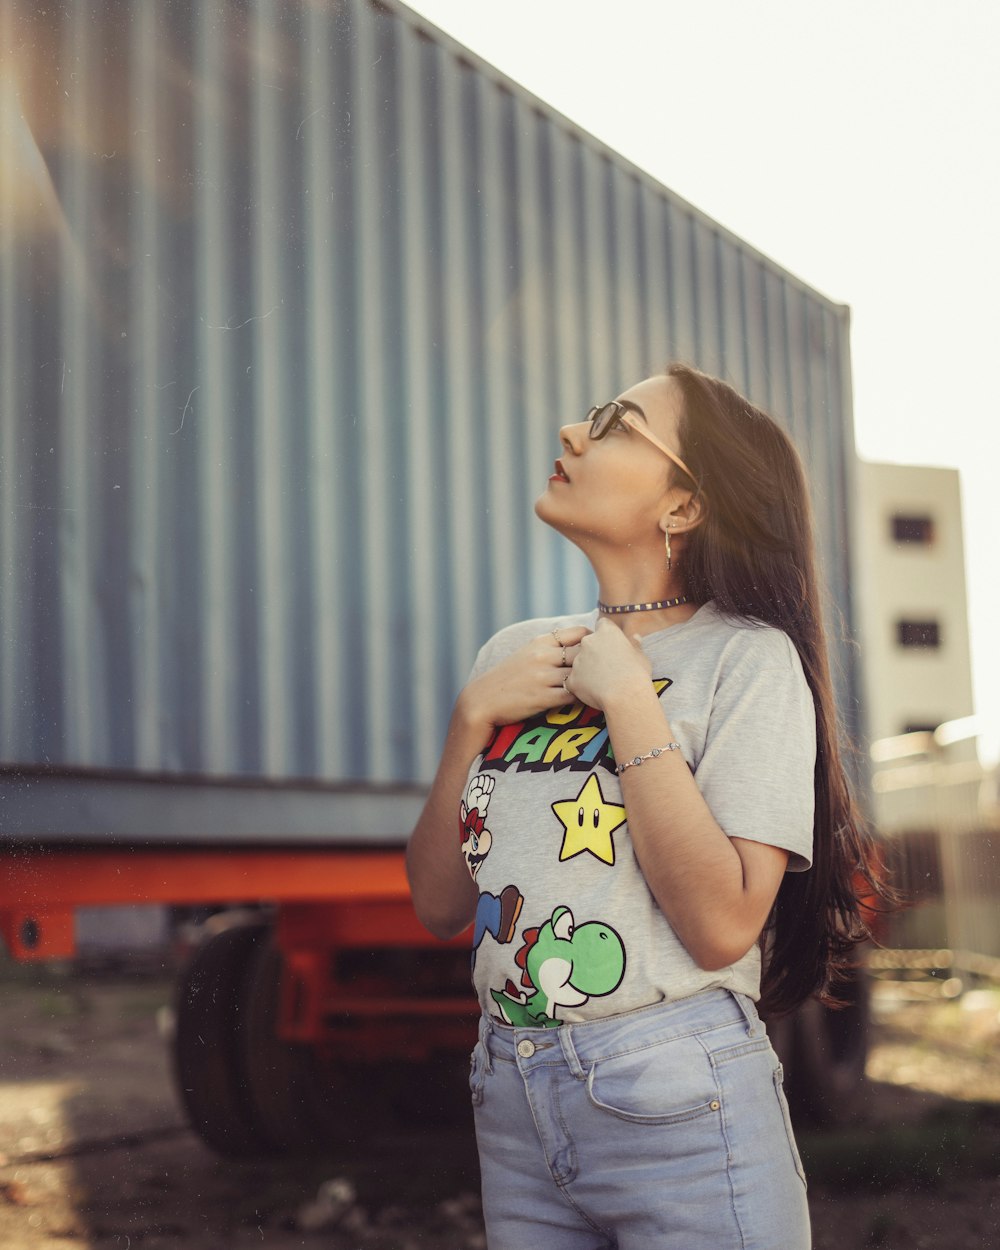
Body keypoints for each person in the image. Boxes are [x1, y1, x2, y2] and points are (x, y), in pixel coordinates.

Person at [406, 364, 887, 1250]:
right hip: (512, 1094)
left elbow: (721, 925)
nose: (572, 434)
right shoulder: (518, 654)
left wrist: (632, 704)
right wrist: (470, 720)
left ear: (683, 507)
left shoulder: (747, 662)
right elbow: (439, 905)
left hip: (678, 1091)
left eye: (618, 425)